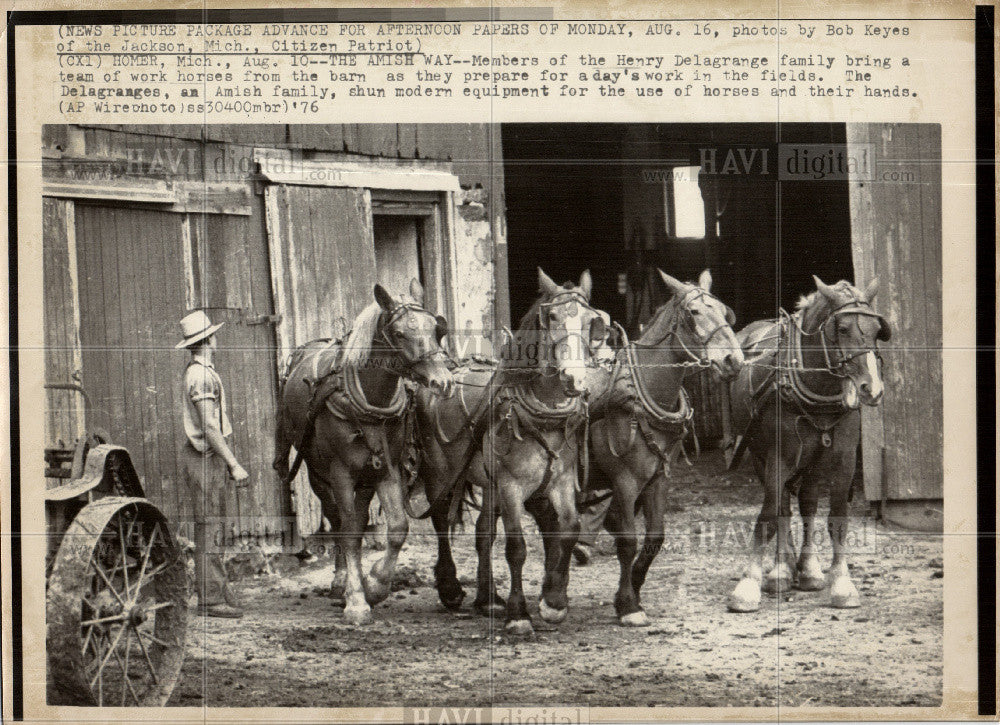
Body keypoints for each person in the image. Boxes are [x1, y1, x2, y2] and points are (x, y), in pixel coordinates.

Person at [176, 310, 249, 618]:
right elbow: (208, 425)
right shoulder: (201, 375)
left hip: (208, 457)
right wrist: (233, 463)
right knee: (208, 527)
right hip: (204, 458)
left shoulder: (202, 371)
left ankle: (217, 588)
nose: (217, 339)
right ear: (208, 340)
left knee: (214, 524)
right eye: (214, 335)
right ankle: (210, 599)